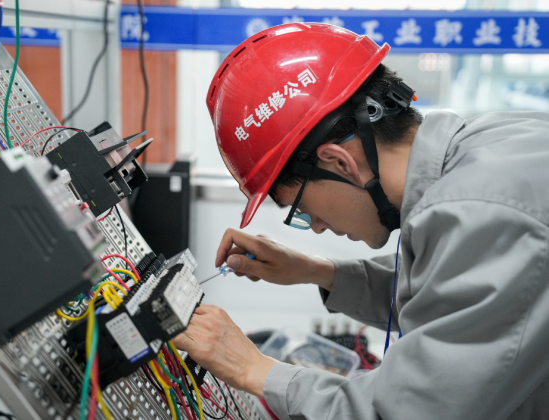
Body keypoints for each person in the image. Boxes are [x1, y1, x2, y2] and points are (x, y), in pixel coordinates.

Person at [173, 22, 549, 419]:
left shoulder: (482, 211)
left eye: (299, 206)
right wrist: (316, 271)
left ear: (339, 162)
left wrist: (252, 368)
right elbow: (449, 294)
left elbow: (412, 411)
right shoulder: (491, 147)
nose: (316, 225)